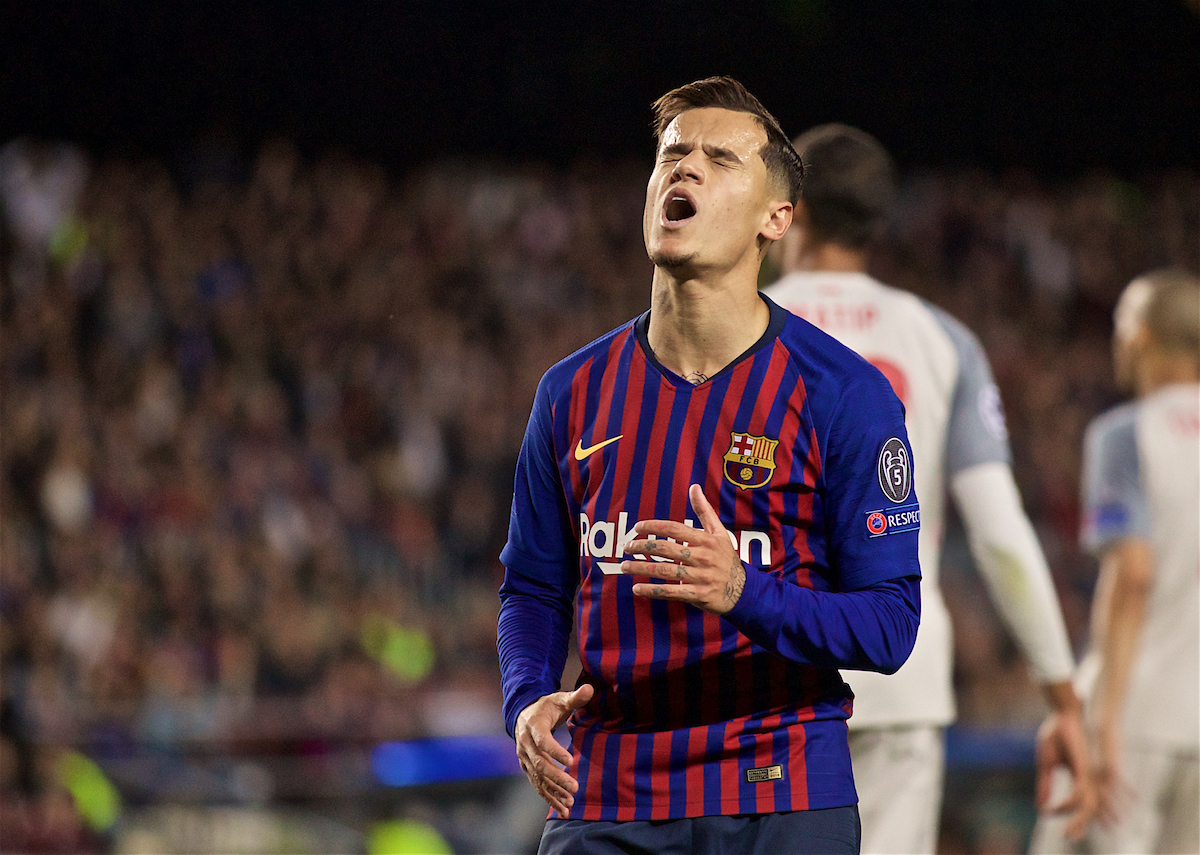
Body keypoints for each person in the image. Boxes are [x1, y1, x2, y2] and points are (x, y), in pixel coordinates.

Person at [497, 78, 922, 855]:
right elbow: (531, 585)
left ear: (777, 218)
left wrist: (743, 591)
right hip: (607, 796)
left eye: (719, 158)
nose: (685, 168)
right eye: (673, 154)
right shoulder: (570, 393)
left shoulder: (845, 395)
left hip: (781, 786)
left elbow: (891, 624)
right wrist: (525, 697)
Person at [762, 124, 1094, 854]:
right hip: (899, 672)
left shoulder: (738, 329)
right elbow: (1002, 534)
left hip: (765, 673)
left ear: (794, 208)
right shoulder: (941, 338)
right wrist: (1060, 691)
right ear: (877, 222)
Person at [1030, 269, 1200, 855]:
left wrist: (1099, 721)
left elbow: (1133, 575)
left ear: (1142, 337)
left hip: (1138, 716)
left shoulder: (1125, 435)